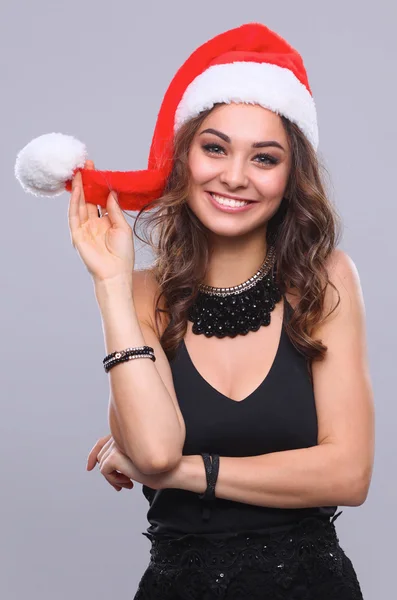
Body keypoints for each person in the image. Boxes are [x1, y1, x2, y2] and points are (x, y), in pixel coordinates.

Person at [17, 22, 374, 600]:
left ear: (290, 176)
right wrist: (110, 283)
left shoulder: (326, 279)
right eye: (215, 147)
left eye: (264, 158)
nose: (235, 176)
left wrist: (183, 474)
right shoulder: (141, 295)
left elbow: (348, 474)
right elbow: (155, 447)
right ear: (182, 157)